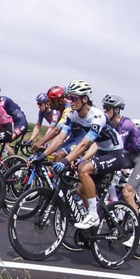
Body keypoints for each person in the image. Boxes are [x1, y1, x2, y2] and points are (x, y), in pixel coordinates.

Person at [38, 81, 107, 228]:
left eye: (74, 98)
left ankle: (94, 213)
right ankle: (78, 203)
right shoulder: (73, 114)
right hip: (87, 145)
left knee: (77, 166)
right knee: (77, 180)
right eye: (70, 97)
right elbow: (61, 137)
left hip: (105, 150)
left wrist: (66, 160)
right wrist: (43, 155)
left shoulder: (97, 116)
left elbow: (86, 144)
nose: (71, 101)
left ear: (85, 99)